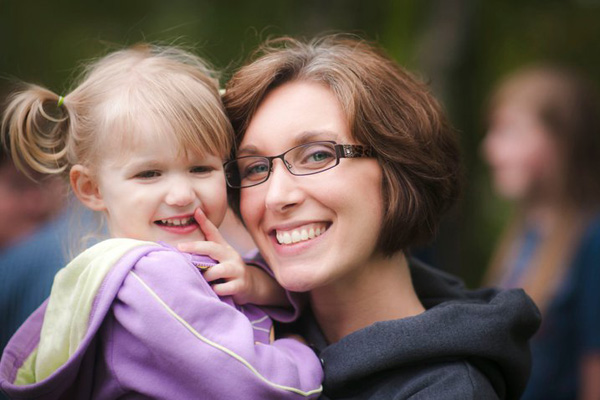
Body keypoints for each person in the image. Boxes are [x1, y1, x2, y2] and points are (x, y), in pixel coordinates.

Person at [186, 35, 541, 399]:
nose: (276, 197)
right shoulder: (228, 323)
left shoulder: (449, 391)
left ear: (397, 166)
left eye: (318, 155)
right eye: (256, 168)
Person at [0, 44, 323, 399]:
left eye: (200, 168)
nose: (181, 195)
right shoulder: (154, 277)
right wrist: (301, 352)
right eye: (149, 174)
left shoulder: (173, 266)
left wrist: (254, 284)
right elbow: (256, 384)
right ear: (91, 189)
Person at [482, 65, 600, 400]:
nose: (490, 149)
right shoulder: (525, 236)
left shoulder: (592, 240)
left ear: (562, 141)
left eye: (509, 131)